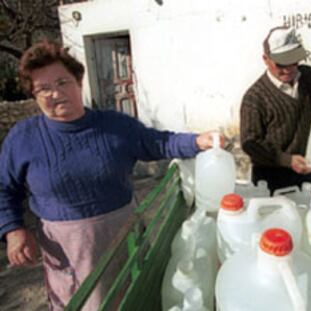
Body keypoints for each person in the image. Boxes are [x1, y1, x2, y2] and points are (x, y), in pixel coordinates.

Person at [0, 40, 221, 310]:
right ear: (33, 95)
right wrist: (13, 229)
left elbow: (157, 142)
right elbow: (4, 187)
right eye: (43, 88)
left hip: (124, 233)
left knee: (135, 297)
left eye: (62, 82)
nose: (55, 94)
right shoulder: (23, 138)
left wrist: (198, 141)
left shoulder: (113, 126)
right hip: (69, 249)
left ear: (79, 82)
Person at [240, 26, 311, 194]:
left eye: (294, 61)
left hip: (309, 175)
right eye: (281, 64)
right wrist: (287, 160)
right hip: (271, 182)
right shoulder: (255, 98)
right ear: (266, 59)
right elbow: (251, 144)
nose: (289, 69)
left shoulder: (307, 76)